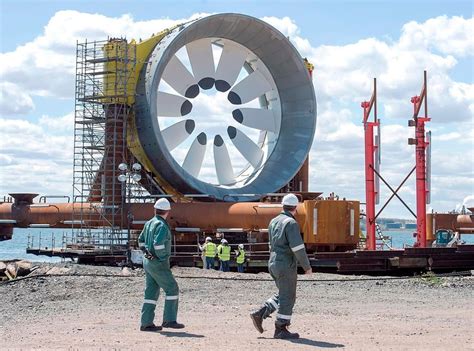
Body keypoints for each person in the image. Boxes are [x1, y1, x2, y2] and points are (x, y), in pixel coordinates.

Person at [250, 193, 312, 339]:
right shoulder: (290, 223)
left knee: (284, 293)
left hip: (273, 262)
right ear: (295, 208)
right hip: (285, 264)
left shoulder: (274, 221)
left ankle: (260, 313)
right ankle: (281, 328)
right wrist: (306, 266)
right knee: (288, 296)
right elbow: (297, 247)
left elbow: (270, 244)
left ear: (283, 205)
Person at [138, 198, 185, 332]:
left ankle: (146, 323)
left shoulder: (149, 223)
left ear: (155, 210)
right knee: (172, 288)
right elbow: (158, 245)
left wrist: (146, 252)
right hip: (158, 263)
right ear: (168, 211)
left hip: (147, 262)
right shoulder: (162, 225)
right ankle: (169, 320)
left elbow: (140, 240)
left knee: (151, 292)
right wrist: (163, 257)